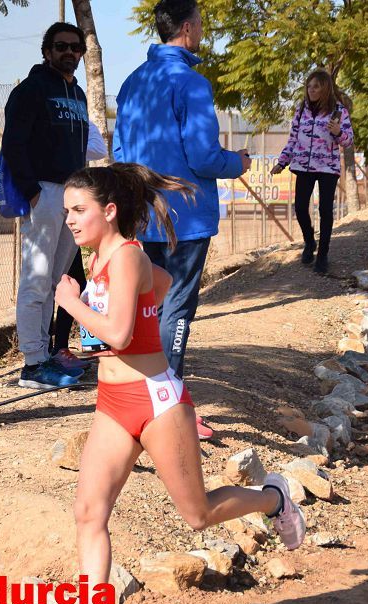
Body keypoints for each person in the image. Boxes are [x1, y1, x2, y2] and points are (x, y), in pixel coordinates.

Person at [30, 163, 306, 604]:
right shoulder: (103, 259)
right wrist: (132, 319)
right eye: (67, 210)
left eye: (78, 210)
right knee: (89, 513)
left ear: (108, 212)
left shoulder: (127, 256)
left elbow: (115, 331)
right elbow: (158, 287)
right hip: (113, 405)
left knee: (197, 515)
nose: (69, 219)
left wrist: (71, 304)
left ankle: (274, 498)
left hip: (156, 401)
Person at [113, 0, 251, 439]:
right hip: (183, 217)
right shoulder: (190, 83)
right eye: (202, 25)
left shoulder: (132, 82)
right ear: (189, 29)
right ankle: (168, 407)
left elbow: (119, 154)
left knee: (141, 307)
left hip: (139, 213)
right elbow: (203, 155)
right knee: (175, 309)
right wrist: (238, 162)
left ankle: (136, 402)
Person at [2, 22, 90, 388]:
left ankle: (49, 355)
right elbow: (13, 144)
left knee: (57, 280)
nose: (69, 53)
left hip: (73, 197)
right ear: (47, 51)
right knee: (36, 280)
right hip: (46, 194)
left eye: (75, 48)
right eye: (61, 46)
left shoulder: (80, 94)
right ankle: (33, 363)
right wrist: (33, 191)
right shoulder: (31, 91)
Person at [271, 68, 354, 274]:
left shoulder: (338, 111)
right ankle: (309, 242)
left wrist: (339, 133)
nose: (311, 90)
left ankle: (323, 255)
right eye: (309, 86)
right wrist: (282, 162)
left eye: (316, 87)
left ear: (325, 88)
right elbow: (293, 139)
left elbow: (349, 141)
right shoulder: (301, 110)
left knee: (325, 211)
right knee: (299, 208)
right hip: (303, 167)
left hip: (328, 167)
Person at [49, 120, 109, 373]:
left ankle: (59, 347)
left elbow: (98, 149)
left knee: (74, 282)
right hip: (47, 202)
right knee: (46, 284)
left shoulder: (79, 122)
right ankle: (45, 353)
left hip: (67, 194)